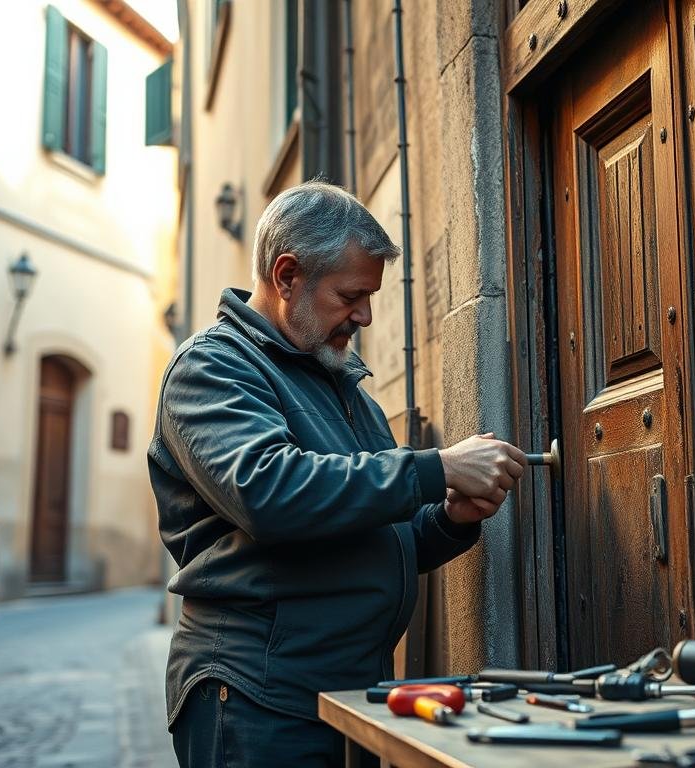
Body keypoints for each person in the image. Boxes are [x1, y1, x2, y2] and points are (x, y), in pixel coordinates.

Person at [149, 180, 525, 767]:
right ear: (287, 275)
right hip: (257, 701)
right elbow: (269, 493)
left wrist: (450, 519)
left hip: (347, 699)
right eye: (351, 295)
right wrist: (436, 468)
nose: (366, 315)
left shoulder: (343, 386)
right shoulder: (211, 368)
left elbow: (374, 537)